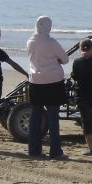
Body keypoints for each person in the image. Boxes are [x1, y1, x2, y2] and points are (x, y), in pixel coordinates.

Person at [26, 16, 69, 159]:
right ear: (49, 27)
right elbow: (65, 59)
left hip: (36, 82)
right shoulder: (52, 42)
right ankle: (55, 151)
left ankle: (34, 150)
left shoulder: (30, 42)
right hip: (53, 82)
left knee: (35, 118)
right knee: (53, 117)